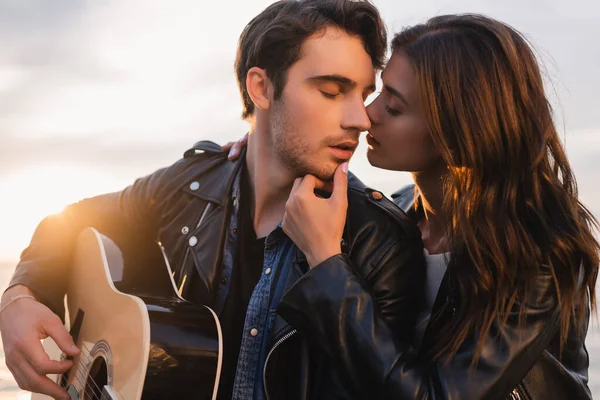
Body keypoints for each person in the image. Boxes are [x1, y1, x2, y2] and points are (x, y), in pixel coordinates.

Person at [0, 1, 426, 399]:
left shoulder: (379, 241)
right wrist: (20, 296)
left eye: (363, 94)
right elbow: (71, 219)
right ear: (260, 87)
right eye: (333, 91)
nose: (359, 118)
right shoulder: (192, 185)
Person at [228, 13, 599, 400]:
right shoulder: (400, 212)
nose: (367, 115)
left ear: (457, 133)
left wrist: (325, 261)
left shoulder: (537, 250)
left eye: (394, 107)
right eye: (380, 92)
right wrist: (263, 146)